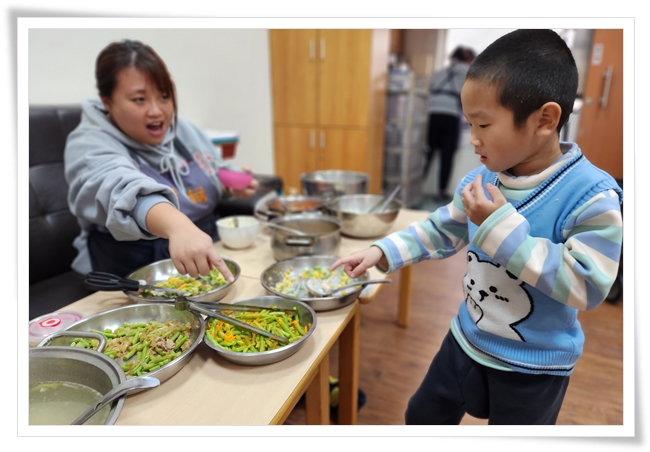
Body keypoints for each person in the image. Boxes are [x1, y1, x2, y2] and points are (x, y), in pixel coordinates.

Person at [331, 29, 623, 425]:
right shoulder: (482, 179)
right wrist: (382, 252)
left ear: (544, 119)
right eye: (469, 124)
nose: (472, 139)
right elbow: (440, 231)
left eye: (482, 125)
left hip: (533, 368)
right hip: (466, 339)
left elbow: (587, 285)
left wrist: (500, 228)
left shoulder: (592, 196)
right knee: (421, 416)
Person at [65, 39, 259, 280]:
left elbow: (210, 165)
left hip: (211, 252)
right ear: (107, 102)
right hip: (133, 269)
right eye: (139, 99)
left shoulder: (182, 129)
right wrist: (179, 227)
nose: (157, 111)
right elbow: (120, 189)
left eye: (164, 97)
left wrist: (230, 182)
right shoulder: (88, 143)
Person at [423, 45, 476, 202]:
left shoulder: (439, 72)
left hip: (432, 115)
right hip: (450, 116)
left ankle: (415, 188)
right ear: (468, 59)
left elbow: (430, 90)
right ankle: (441, 192)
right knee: (447, 155)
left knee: (428, 152)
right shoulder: (466, 72)